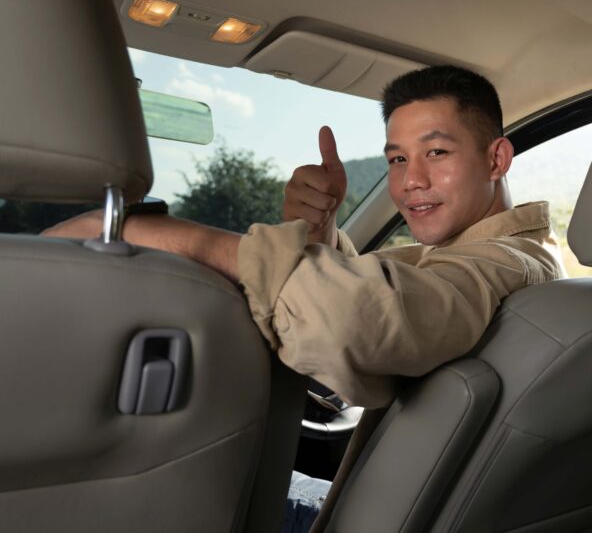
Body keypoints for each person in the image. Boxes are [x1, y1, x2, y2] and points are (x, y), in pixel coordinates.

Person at [44, 65, 563, 531]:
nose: (410, 182)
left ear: (496, 158)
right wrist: (319, 230)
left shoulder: (508, 265)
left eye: (437, 152)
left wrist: (146, 233)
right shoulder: (492, 257)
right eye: (398, 159)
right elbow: (397, 284)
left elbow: (360, 316)